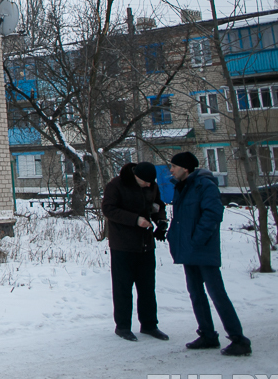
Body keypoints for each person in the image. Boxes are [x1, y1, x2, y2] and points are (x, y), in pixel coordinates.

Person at [168, 151, 252, 356]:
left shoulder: (205, 185)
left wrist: (197, 239)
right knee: (195, 293)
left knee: (216, 293)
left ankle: (239, 339)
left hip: (203, 248)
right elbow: (180, 218)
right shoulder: (182, 187)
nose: (171, 170)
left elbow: (213, 214)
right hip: (189, 249)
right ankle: (207, 334)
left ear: (185, 168)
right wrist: (173, 236)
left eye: (174, 166)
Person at [101, 161, 169, 341]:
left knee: (147, 287)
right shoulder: (116, 185)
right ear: (135, 176)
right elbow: (108, 209)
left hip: (146, 244)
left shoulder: (151, 185)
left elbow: (157, 205)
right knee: (123, 287)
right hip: (123, 245)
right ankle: (122, 326)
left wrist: (161, 221)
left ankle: (149, 325)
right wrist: (135, 220)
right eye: (145, 181)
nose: (148, 184)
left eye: (151, 182)